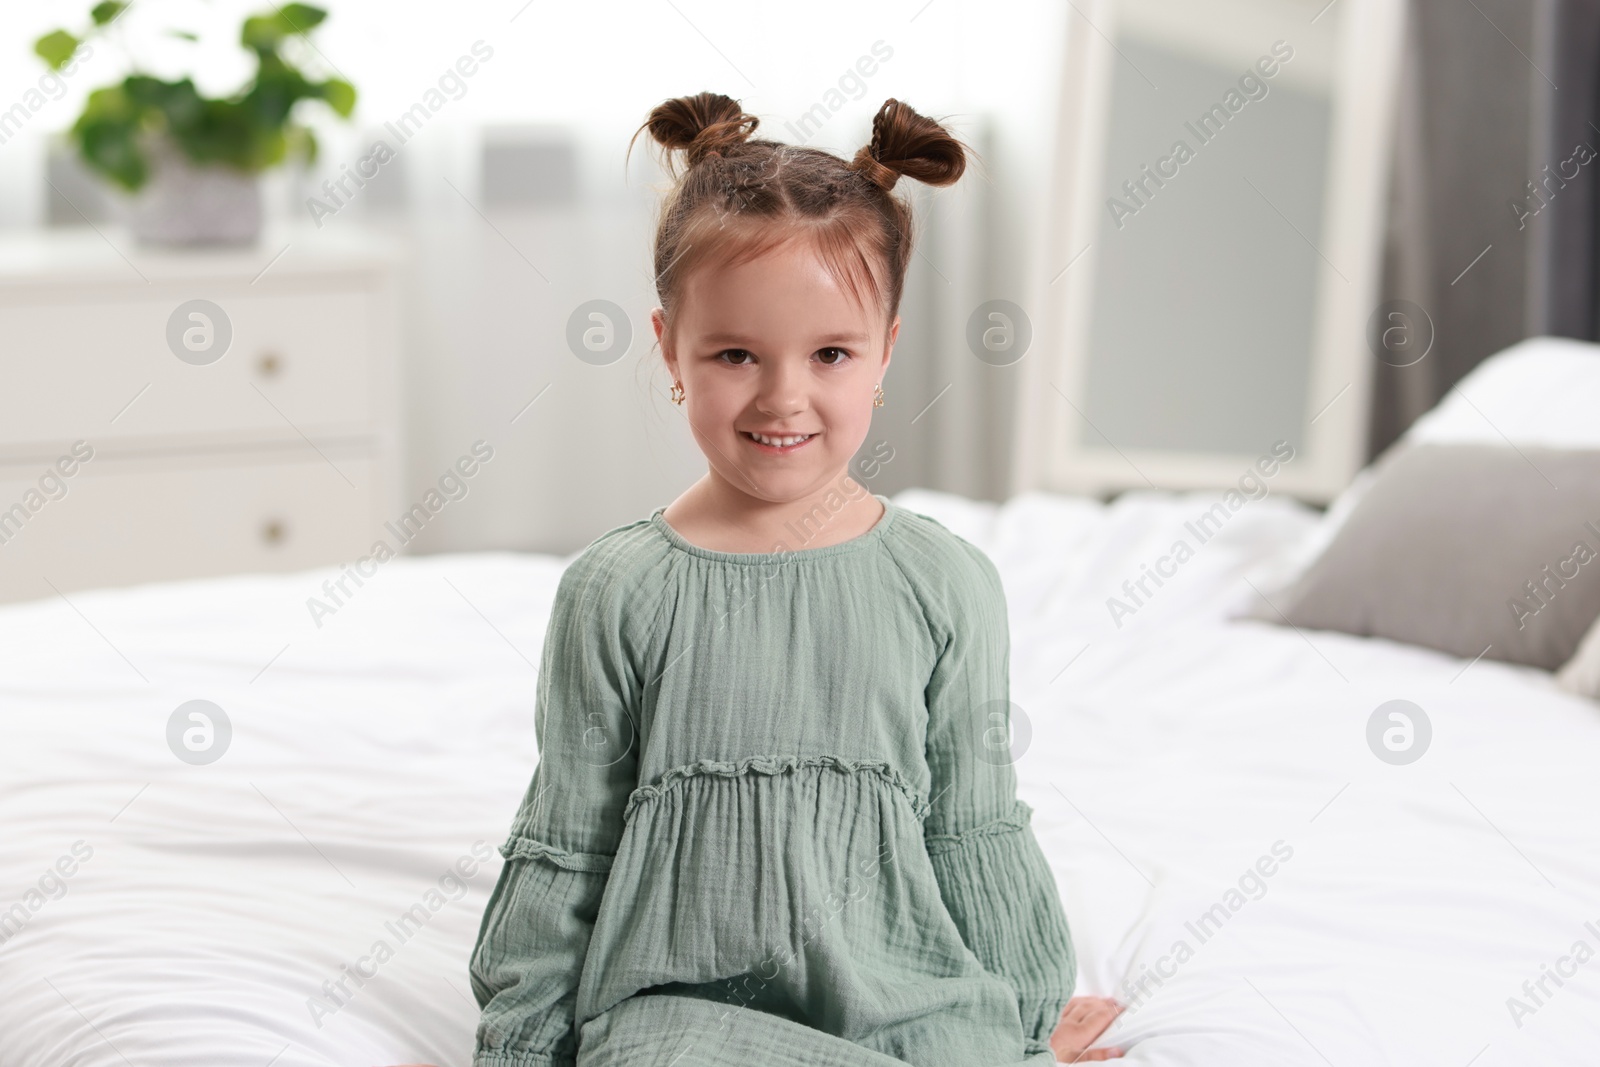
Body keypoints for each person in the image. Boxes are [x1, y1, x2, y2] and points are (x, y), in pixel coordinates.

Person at [465, 91, 1125, 1066]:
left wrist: (1021, 1017)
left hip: (907, 991)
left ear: (886, 352)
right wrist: (517, 1046)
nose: (783, 396)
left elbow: (975, 822)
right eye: (735, 353)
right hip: (679, 1005)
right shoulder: (615, 590)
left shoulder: (946, 581)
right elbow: (567, 840)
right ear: (668, 351)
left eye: (830, 354)